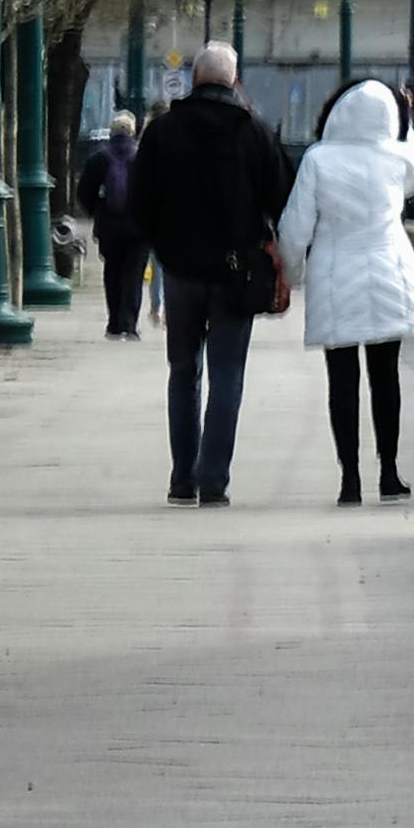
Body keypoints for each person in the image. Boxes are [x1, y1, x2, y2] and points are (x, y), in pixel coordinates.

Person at [129, 44, 286, 506]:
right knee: (227, 374)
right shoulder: (254, 132)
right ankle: (213, 479)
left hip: (179, 270)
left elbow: (139, 202)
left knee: (183, 372)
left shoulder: (163, 132)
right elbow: (282, 198)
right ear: (234, 81)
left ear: (194, 79)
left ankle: (182, 477)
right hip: (236, 272)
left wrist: (162, 243)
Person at [280, 79, 414, 504]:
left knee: (342, 380)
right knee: (387, 377)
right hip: (388, 270)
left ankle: (349, 477)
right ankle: (389, 472)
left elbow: (295, 228)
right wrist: (408, 126)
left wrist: (290, 275)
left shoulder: (319, 160)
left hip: (334, 272)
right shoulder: (397, 157)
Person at [77, 107, 143, 338]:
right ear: (134, 132)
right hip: (139, 228)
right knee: (133, 275)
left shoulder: (98, 159)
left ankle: (114, 323)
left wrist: (97, 211)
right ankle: (130, 324)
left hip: (109, 226)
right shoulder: (142, 158)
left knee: (112, 273)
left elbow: (84, 192)